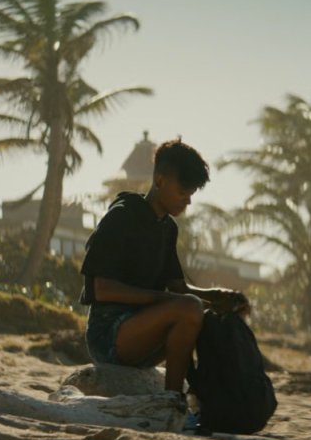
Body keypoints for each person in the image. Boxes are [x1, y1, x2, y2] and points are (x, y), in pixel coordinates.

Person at [79, 138, 250, 395]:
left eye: (191, 195)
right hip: (109, 335)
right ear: (159, 181)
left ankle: (200, 398)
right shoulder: (122, 216)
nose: (187, 202)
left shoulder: (167, 228)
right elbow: (101, 289)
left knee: (207, 314)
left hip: (142, 330)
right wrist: (161, 299)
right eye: (183, 193)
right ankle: (171, 402)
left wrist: (219, 299)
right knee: (190, 308)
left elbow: (178, 288)